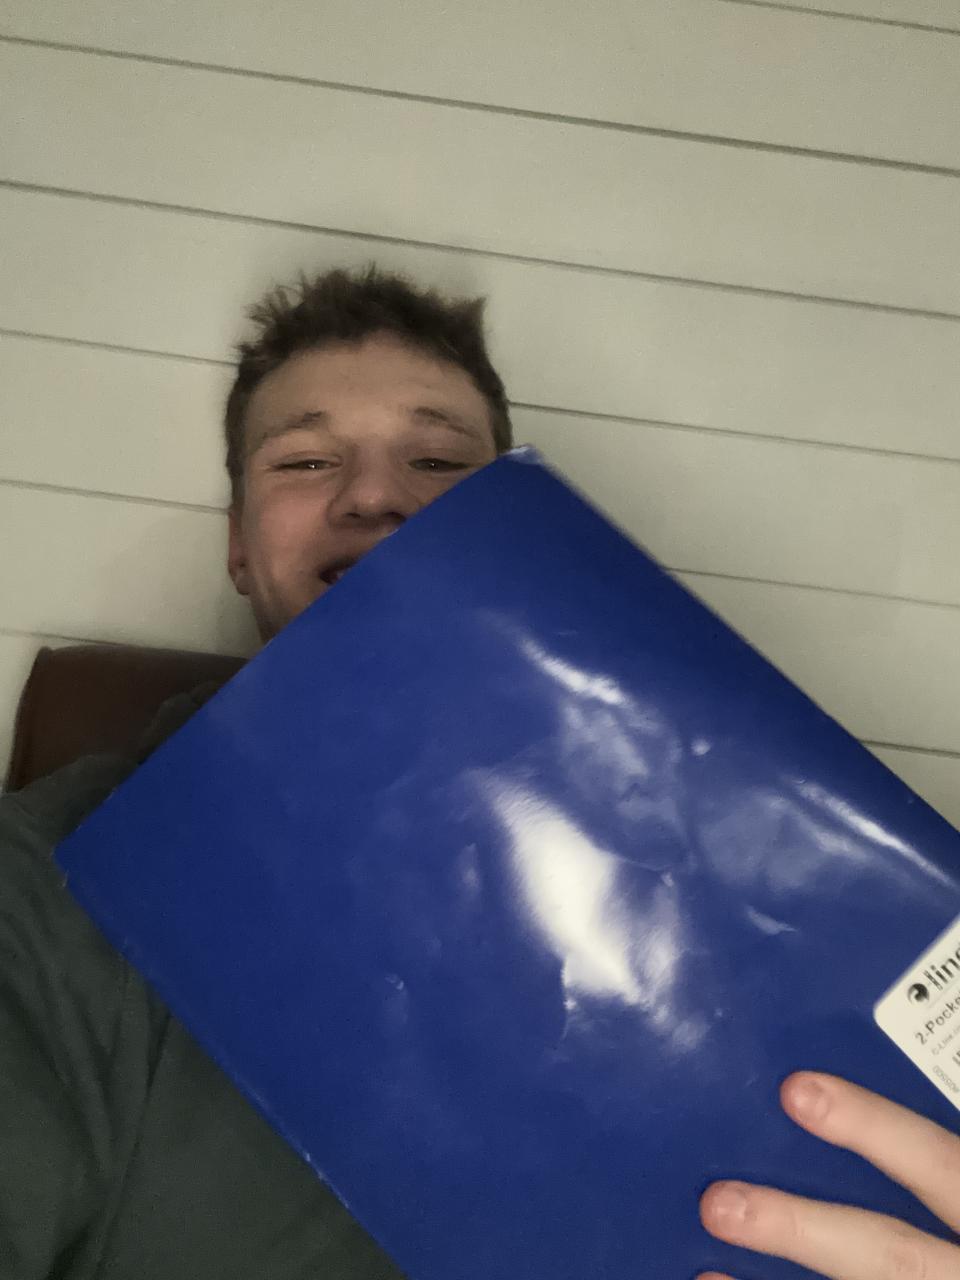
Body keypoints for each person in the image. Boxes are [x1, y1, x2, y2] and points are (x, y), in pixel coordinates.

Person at [1, 264, 957, 1280]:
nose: (376, 495)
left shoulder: (774, 819)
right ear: (239, 546)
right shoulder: (50, 890)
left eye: (438, 458)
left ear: (519, 517)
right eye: (307, 460)